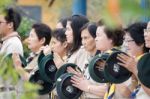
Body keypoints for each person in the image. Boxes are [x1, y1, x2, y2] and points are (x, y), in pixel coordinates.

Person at [12, 23, 52, 99]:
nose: (28, 39)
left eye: (32, 36)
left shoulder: (45, 59)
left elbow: (34, 82)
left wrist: (18, 67)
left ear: (42, 40)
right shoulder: (32, 56)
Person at [70, 23, 107, 99]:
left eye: (86, 38)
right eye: (82, 38)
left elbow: (110, 91)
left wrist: (88, 87)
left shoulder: (104, 60)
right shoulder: (82, 53)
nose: (83, 42)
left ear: (95, 37)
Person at [117, 22, 149, 99]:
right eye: (146, 31)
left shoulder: (144, 62)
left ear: (141, 43)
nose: (124, 44)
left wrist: (135, 69)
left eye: (128, 40)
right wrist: (134, 77)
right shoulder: (133, 62)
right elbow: (133, 94)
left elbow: (126, 93)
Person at [95, 22, 125, 99]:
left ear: (111, 38)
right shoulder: (105, 57)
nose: (96, 39)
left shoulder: (120, 59)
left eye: (99, 35)